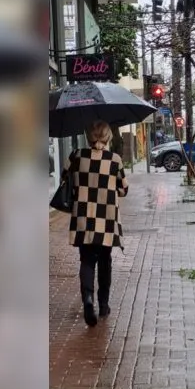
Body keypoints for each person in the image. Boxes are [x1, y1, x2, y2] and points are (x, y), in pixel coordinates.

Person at [64, 120, 129, 327]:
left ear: (89, 137)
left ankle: (88, 300)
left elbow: (66, 178)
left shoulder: (76, 156)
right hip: (106, 219)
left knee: (86, 260)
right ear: (108, 137)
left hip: (83, 217)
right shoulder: (114, 160)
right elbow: (123, 189)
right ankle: (103, 304)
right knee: (105, 261)